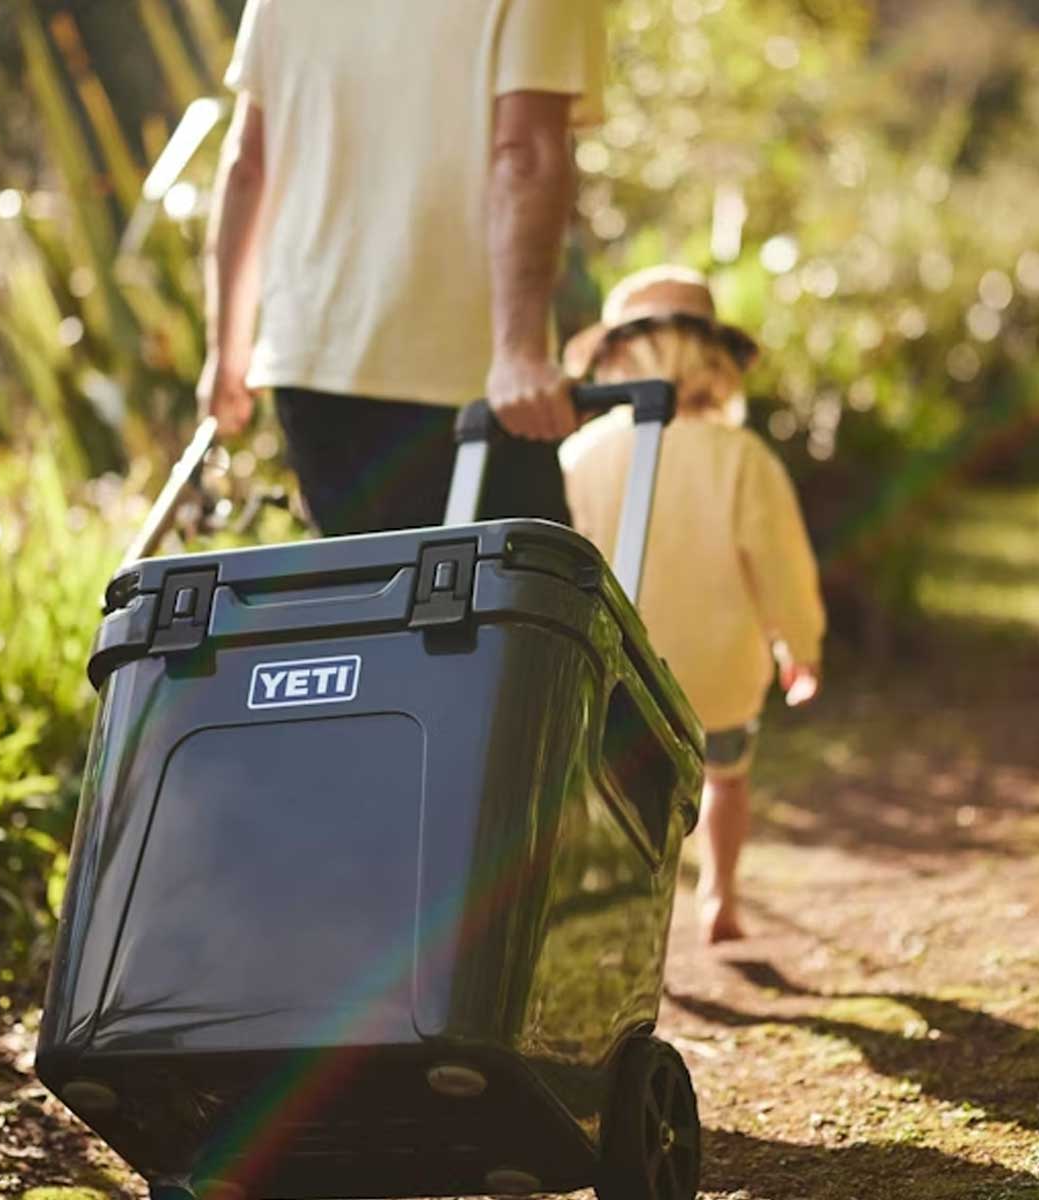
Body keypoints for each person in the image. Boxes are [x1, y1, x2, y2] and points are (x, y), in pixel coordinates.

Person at [196, 0, 606, 535]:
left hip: (311, 360)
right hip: (465, 377)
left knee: (369, 604)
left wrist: (227, 350)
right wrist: (520, 352)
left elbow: (248, 163)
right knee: (521, 603)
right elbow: (525, 152)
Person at [561, 265, 827, 943]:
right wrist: (799, 644)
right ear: (716, 360)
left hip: (618, 673)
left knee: (623, 797)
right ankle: (722, 897)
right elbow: (781, 565)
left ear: (614, 358)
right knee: (726, 780)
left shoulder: (579, 455)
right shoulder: (742, 458)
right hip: (718, 674)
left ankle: (635, 919)